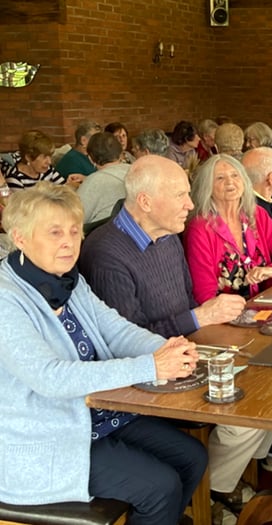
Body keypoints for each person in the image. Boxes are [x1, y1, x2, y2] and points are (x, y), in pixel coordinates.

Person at [0, 182, 207, 525]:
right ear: (20, 237)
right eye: (54, 232)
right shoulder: (7, 298)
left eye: (73, 231)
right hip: (42, 437)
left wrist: (164, 347)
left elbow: (115, 327)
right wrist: (150, 367)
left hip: (91, 416)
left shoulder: (67, 279)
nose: (69, 242)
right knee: (160, 487)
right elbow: (51, 377)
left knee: (192, 457)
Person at [78, 154, 272, 517]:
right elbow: (123, 342)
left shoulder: (167, 235)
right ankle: (209, 496)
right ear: (146, 202)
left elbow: (185, 302)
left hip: (184, 354)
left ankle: (210, 494)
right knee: (251, 407)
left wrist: (207, 321)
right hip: (145, 381)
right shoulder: (106, 253)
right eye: (181, 195)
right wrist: (198, 318)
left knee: (269, 378)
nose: (191, 204)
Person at [184, 154, 272, 304]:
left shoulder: (257, 214)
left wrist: (270, 270)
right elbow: (204, 295)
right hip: (226, 316)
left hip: (265, 305)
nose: (230, 182)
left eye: (235, 175)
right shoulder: (200, 229)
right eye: (220, 178)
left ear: (244, 181)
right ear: (207, 187)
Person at [77, 131, 129, 224]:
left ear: (90, 158)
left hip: (104, 234)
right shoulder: (136, 171)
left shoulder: (93, 182)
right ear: (120, 153)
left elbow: (76, 219)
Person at [2, 130, 67, 191]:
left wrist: (70, 185)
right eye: (44, 157)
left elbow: (64, 191)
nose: (49, 162)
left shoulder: (48, 169)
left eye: (49, 156)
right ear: (28, 157)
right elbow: (22, 203)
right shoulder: (15, 178)